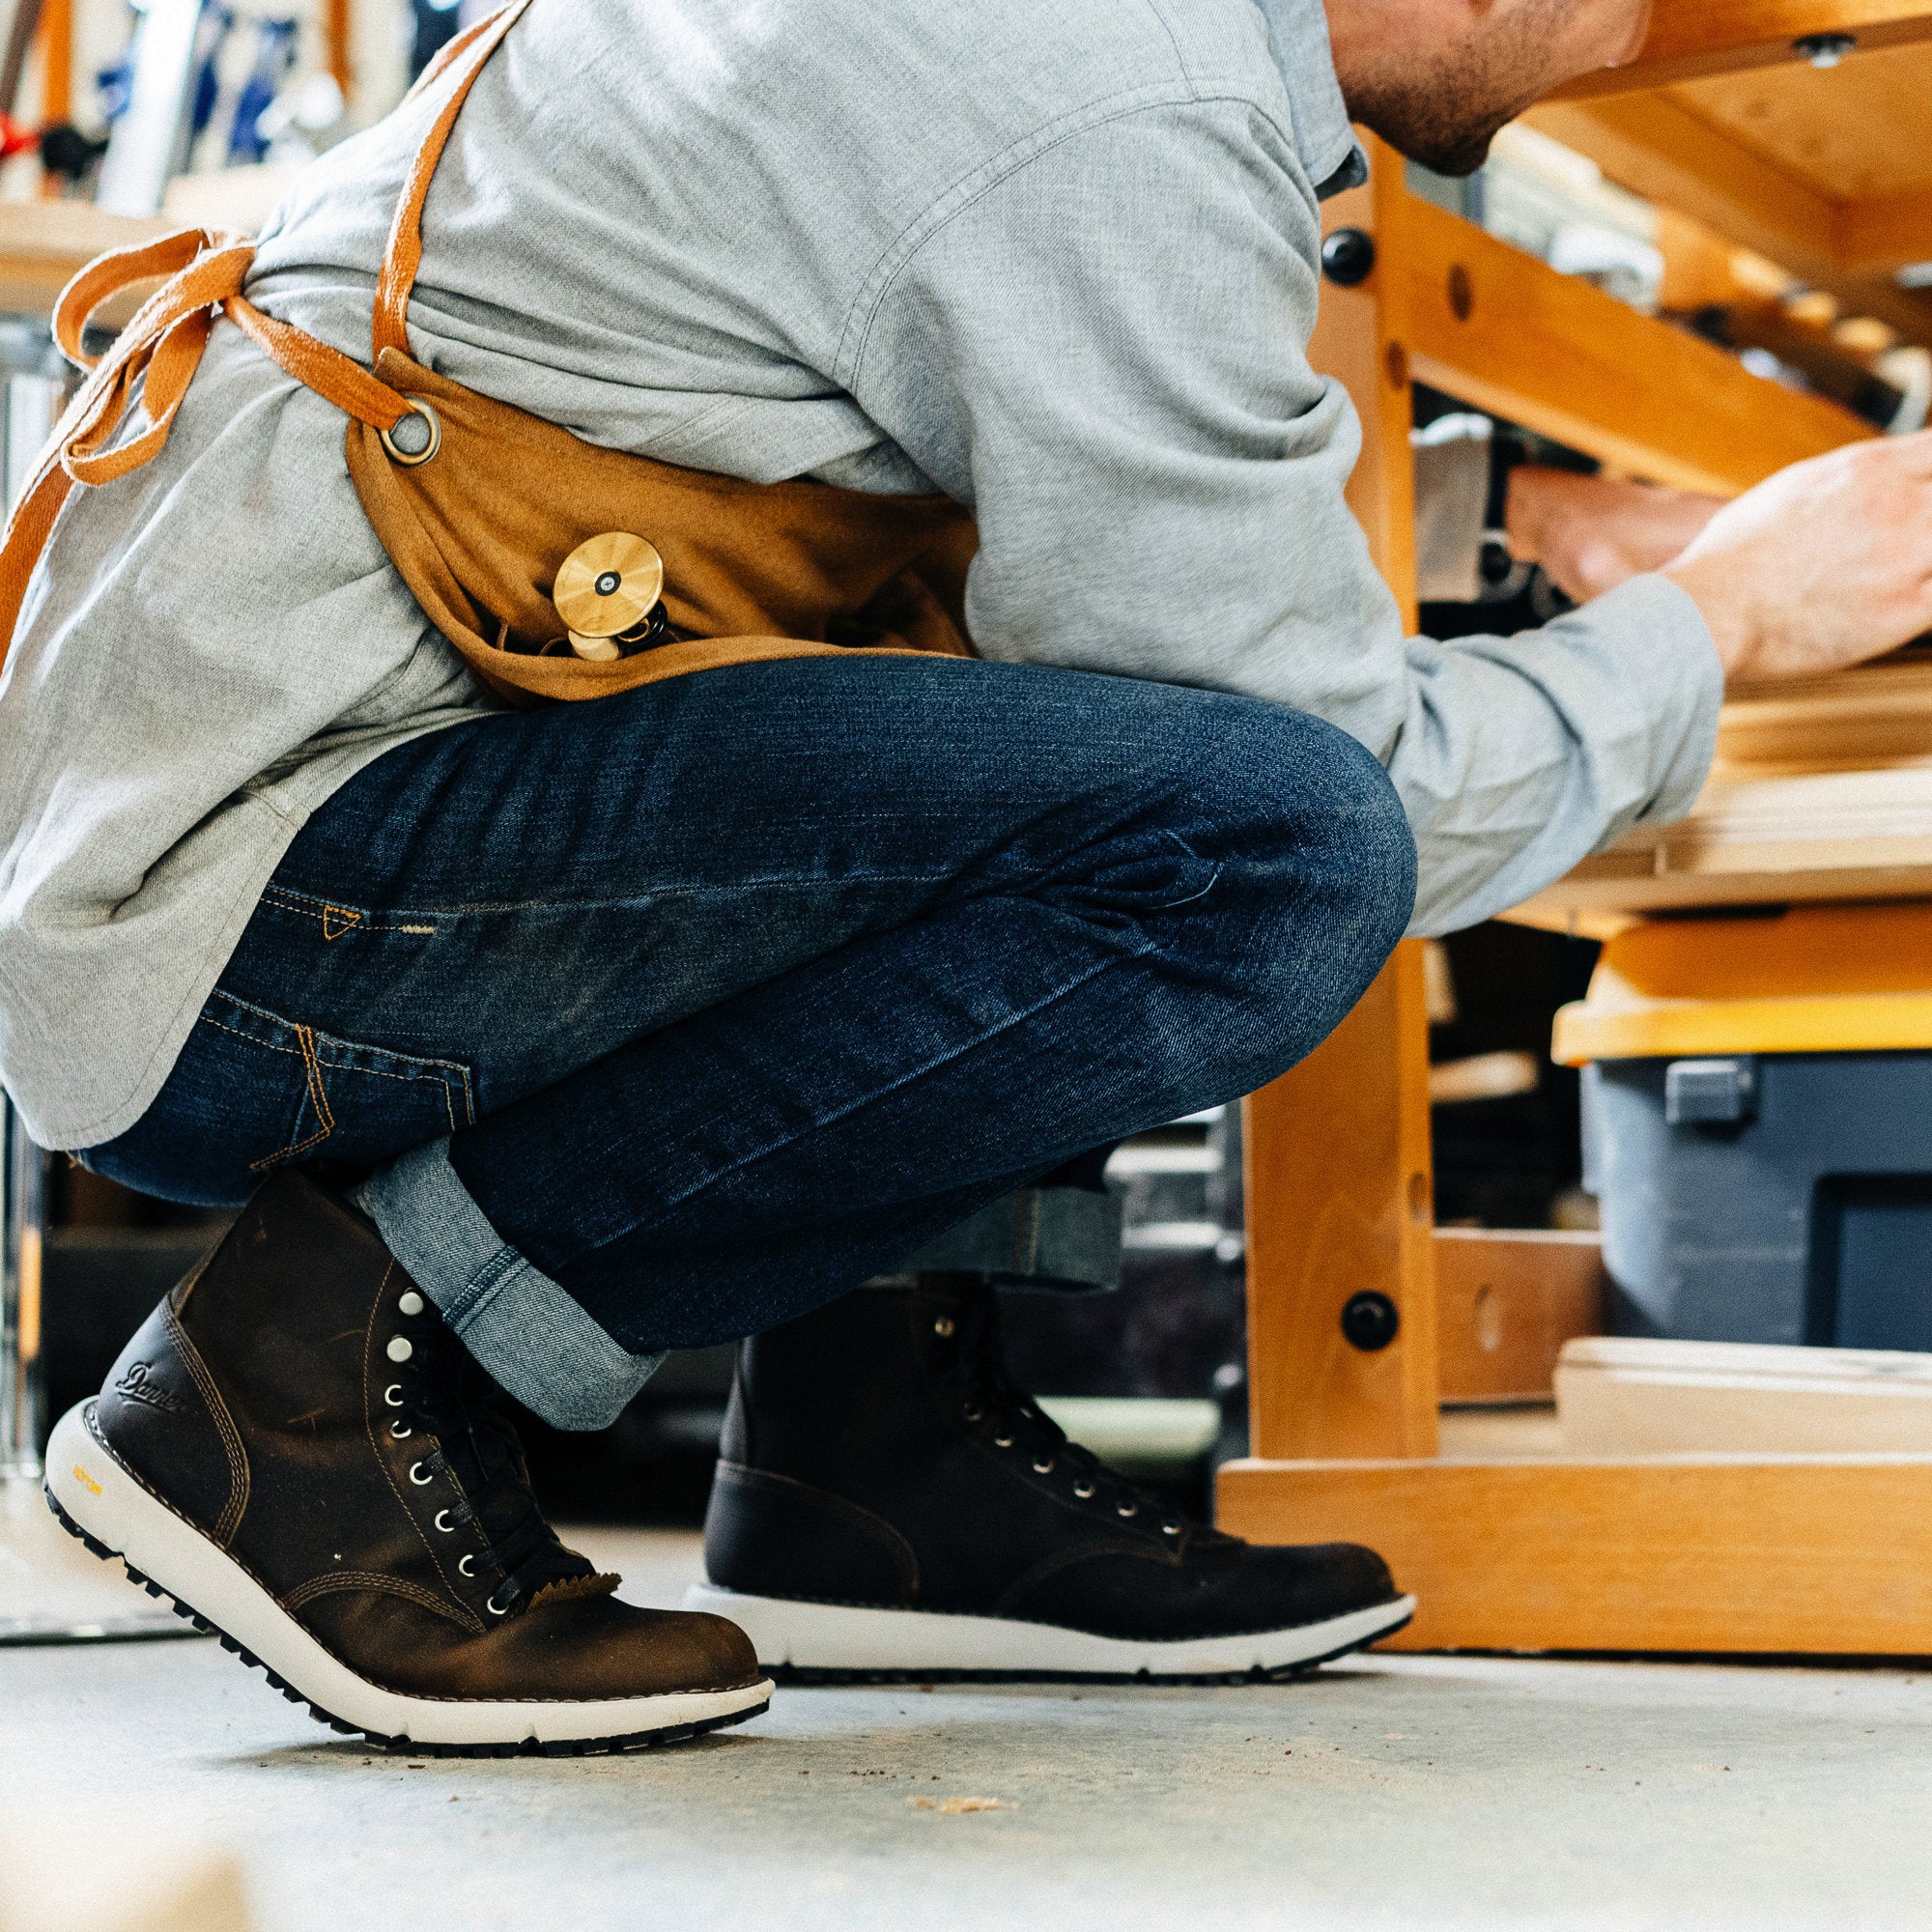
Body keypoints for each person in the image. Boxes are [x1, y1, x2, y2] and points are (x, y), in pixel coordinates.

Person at [16, 0, 1932, 1753]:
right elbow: (1357, 789)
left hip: (268, 817)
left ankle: (878, 1455)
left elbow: (976, 381)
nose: (1630, 26)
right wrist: (1725, 615)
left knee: (1097, 690)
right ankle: (306, 1376)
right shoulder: (1123, 94)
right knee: (1258, 849)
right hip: (248, 905)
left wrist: (1530, 519)